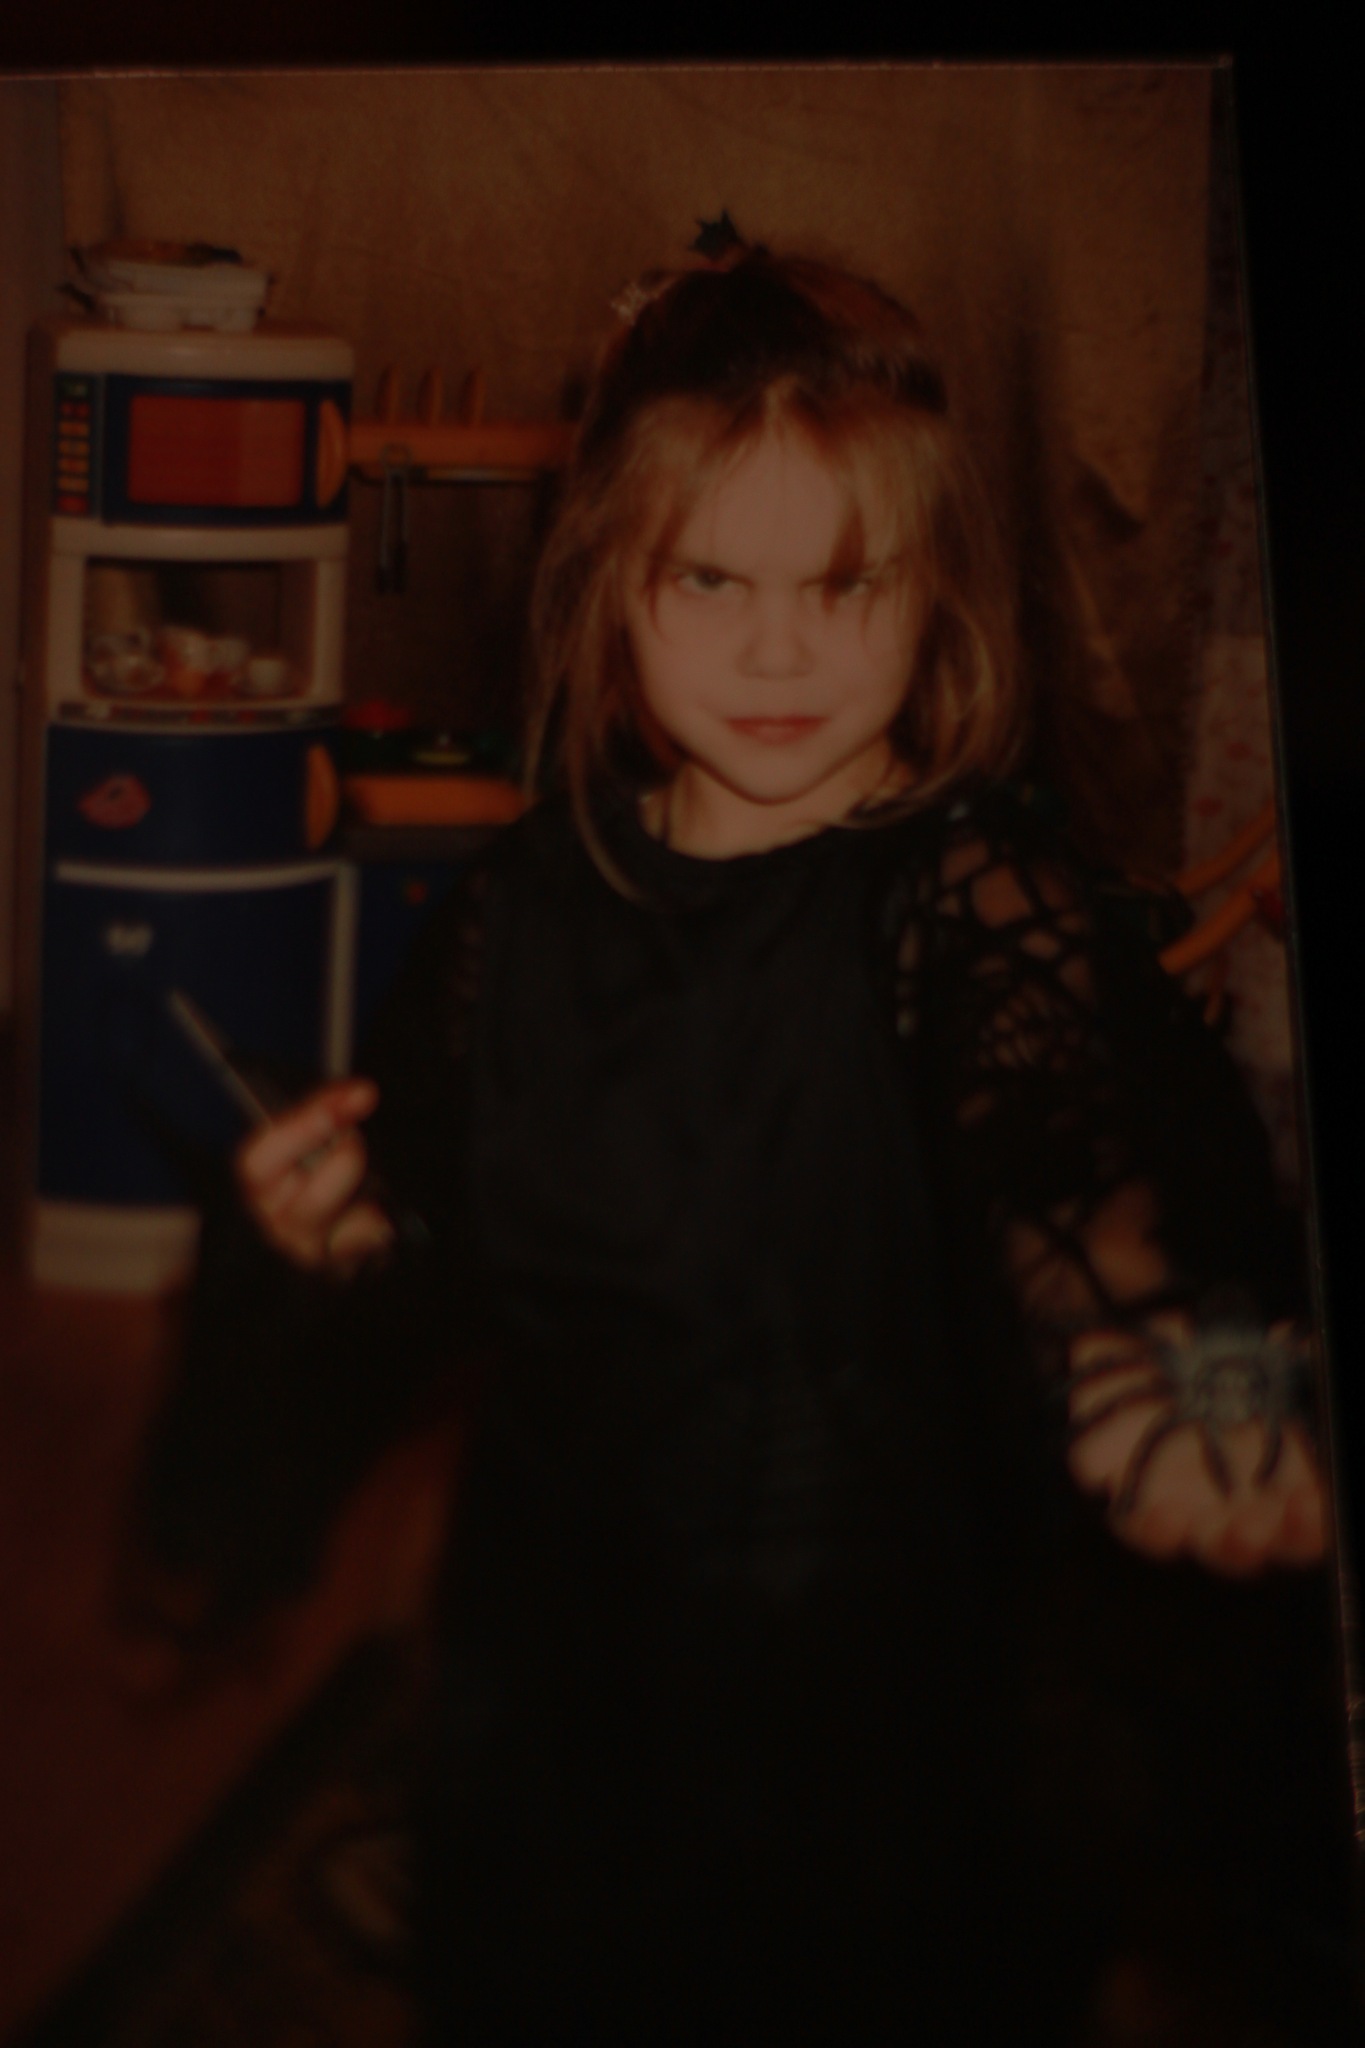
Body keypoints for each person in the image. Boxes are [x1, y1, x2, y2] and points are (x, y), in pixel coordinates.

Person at [136, 243, 1342, 2042]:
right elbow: (438, 1243)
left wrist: (1152, 1372)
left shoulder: (971, 900)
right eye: (710, 579)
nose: (780, 651)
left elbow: (1076, 1190)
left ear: (936, 594)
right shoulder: (522, 903)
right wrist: (335, 1237)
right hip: (559, 1661)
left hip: (868, 1701)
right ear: (611, 582)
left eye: (847, 586)